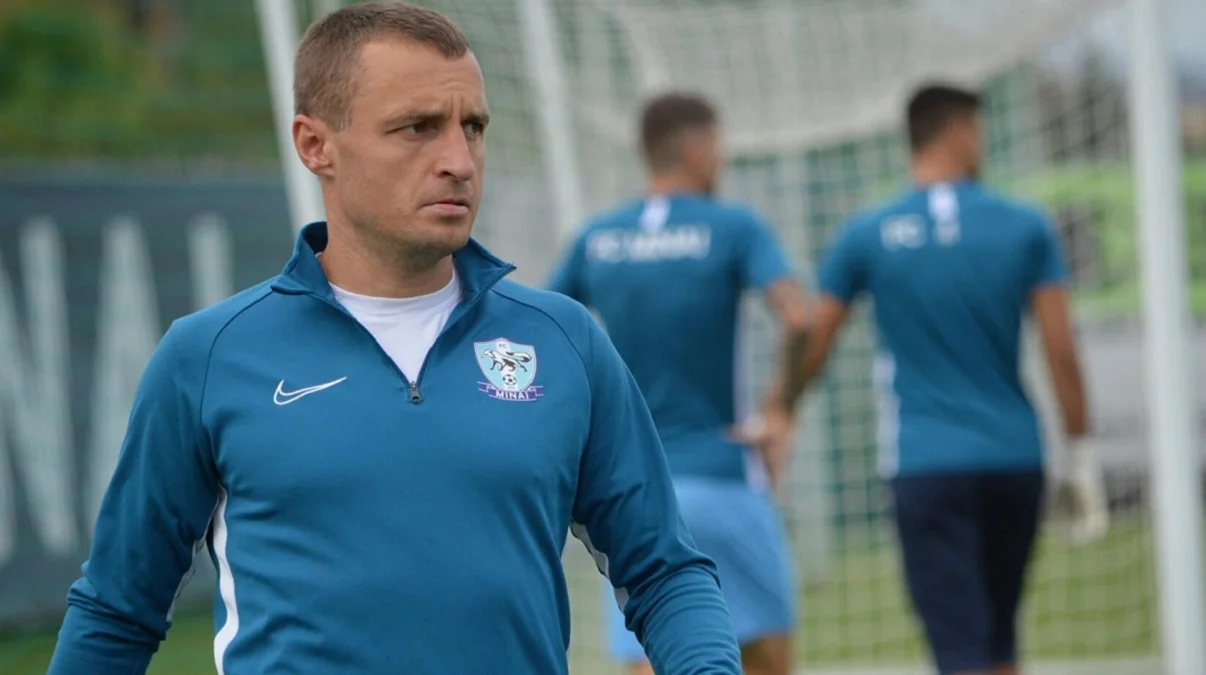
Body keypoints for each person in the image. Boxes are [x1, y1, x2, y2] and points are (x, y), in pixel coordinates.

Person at [46, 4, 743, 674]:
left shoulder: (565, 341)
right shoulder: (207, 357)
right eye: (418, 127)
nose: (459, 160)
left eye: (473, 127)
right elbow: (117, 608)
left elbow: (664, 572)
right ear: (315, 145)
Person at [798, 83, 1108, 675]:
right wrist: (1082, 454)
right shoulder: (1025, 225)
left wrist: (780, 408)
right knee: (1001, 643)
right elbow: (1060, 350)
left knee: (959, 652)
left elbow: (816, 341)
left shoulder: (867, 231)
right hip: (1015, 457)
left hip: (925, 461)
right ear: (960, 133)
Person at [547, 92, 812, 675]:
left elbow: (540, 333)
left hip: (632, 490)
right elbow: (798, 319)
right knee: (764, 657)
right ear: (698, 149)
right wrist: (780, 409)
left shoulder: (597, 237)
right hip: (725, 473)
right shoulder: (734, 226)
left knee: (652, 655)